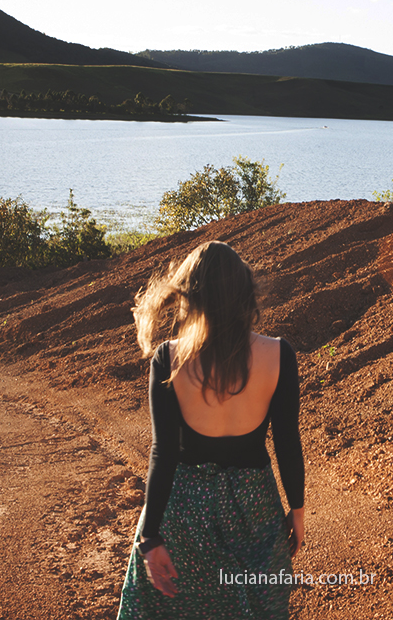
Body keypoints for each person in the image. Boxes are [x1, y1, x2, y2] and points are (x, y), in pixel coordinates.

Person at [117, 240, 305, 620]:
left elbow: (163, 453)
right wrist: (297, 510)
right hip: (254, 507)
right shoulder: (278, 354)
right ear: (244, 291)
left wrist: (150, 536)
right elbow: (287, 443)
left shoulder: (169, 358)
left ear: (190, 296)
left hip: (185, 510)